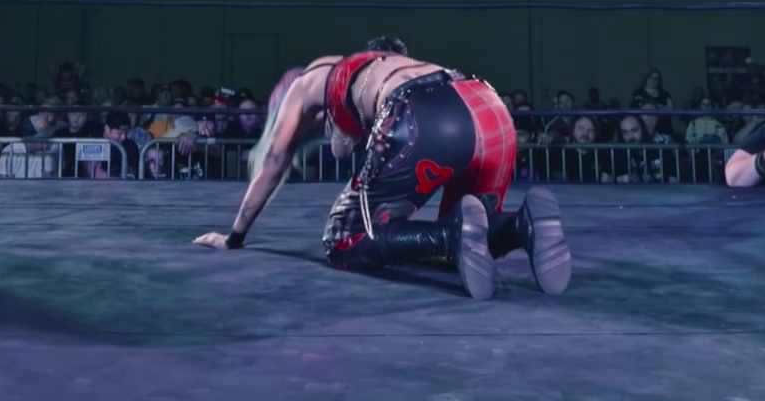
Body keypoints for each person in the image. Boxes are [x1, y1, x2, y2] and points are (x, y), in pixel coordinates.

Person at [193, 36, 571, 301]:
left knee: (343, 238)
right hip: (489, 106)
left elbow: (276, 161)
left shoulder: (313, 80)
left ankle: (449, 235)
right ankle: (521, 225)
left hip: (425, 113)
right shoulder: (401, 67)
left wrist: (234, 237)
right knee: (479, 229)